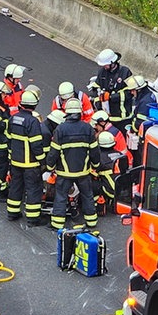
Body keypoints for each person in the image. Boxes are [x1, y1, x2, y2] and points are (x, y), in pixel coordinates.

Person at [46, 98, 100, 231]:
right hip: (83, 172)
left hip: (64, 173)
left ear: (67, 113)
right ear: (80, 113)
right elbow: (94, 150)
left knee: (61, 196)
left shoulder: (60, 129)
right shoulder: (87, 128)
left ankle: (57, 224)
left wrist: (49, 166)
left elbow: (54, 152)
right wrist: (96, 164)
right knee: (87, 195)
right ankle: (92, 221)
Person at [6, 89, 46, 225]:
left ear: (22, 104)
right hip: (30, 164)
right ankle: (33, 218)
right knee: (33, 189)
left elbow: (9, 140)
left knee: (15, 187)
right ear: (34, 105)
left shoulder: (13, 118)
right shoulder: (33, 121)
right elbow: (36, 145)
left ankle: (12, 212)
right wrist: (42, 160)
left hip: (16, 162)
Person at [95, 49, 133, 133]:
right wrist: (99, 102)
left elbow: (130, 93)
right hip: (107, 117)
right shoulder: (102, 72)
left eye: (106, 65)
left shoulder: (125, 72)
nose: (104, 67)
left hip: (123, 117)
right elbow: (96, 88)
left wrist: (111, 97)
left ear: (113, 62)